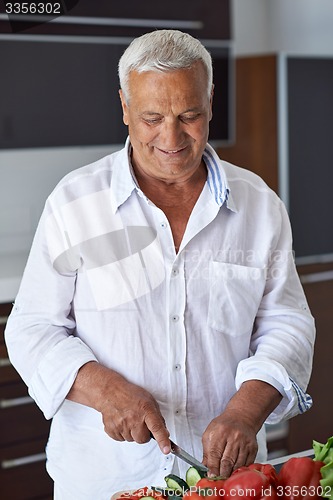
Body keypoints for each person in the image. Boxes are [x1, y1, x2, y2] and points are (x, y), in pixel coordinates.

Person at [5, 30, 315, 499]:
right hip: (105, 479)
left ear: (210, 102)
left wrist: (246, 411)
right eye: (152, 117)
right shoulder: (75, 203)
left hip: (229, 482)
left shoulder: (259, 205)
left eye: (189, 115)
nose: (171, 137)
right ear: (125, 108)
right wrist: (104, 389)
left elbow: (287, 322)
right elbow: (30, 329)